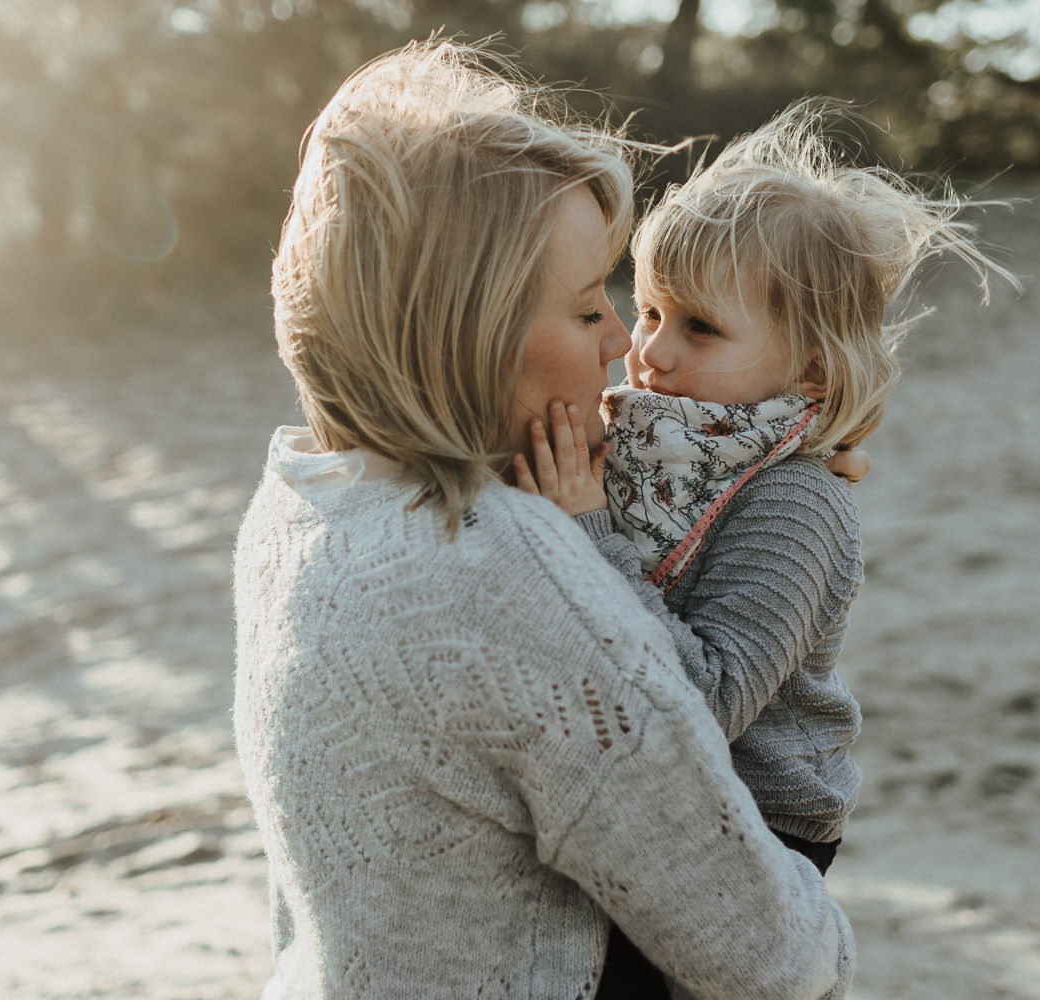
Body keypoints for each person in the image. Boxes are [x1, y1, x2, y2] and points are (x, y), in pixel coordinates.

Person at [232, 40, 855, 1000]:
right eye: (585, 309)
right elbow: (766, 954)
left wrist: (776, 472)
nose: (624, 344)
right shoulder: (512, 573)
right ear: (472, 334)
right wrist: (835, 943)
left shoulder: (297, 509)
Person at [516, 100, 1014, 995]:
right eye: (653, 308)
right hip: (654, 782)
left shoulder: (797, 505)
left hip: (757, 817)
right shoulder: (659, 436)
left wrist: (589, 529)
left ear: (812, 370)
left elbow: (704, 702)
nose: (649, 352)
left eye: (699, 328)